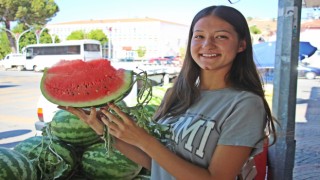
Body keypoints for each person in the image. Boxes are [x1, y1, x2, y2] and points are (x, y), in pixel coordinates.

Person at [60, 5, 277, 180]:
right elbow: (155, 163)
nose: (207, 44)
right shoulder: (177, 94)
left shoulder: (245, 104)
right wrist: (104, 131)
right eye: (199, 36)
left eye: (221, 37)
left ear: (241, 45)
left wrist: (145, 140)